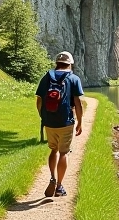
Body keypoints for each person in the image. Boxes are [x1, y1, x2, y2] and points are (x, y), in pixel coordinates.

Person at [35, 51, 84, 197]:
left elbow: (39, 100)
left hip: (49, 122)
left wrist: (43, 116)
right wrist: (80, 122)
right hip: (66, 121)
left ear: (56, 63)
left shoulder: (46, 78)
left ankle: (52, 177)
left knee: (53, 150)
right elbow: (78, 103)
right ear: (70, 64)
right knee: (64, 152)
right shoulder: (73, 78)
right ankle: (59, 186)